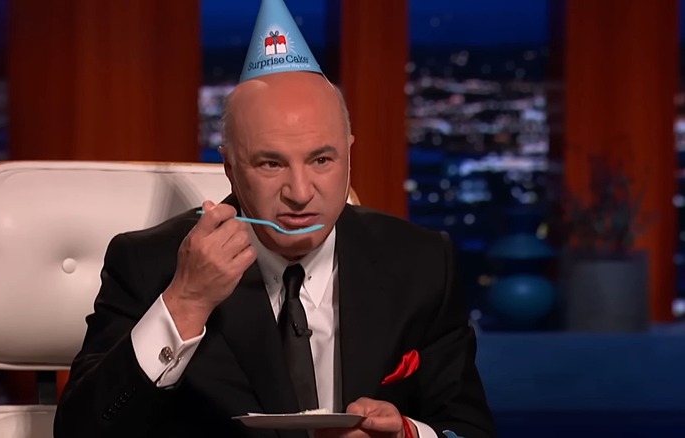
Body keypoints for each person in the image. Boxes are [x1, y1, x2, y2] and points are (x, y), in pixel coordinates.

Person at [54, 1, 495, 437]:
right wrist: (187, 301)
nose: (301, 193)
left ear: (349, 155)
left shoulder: (421, 263)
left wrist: (406, 434)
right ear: (229, 168)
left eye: (321, 160)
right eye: (270, 165)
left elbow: (468, 428)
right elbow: (81, 432)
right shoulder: (152, 263)